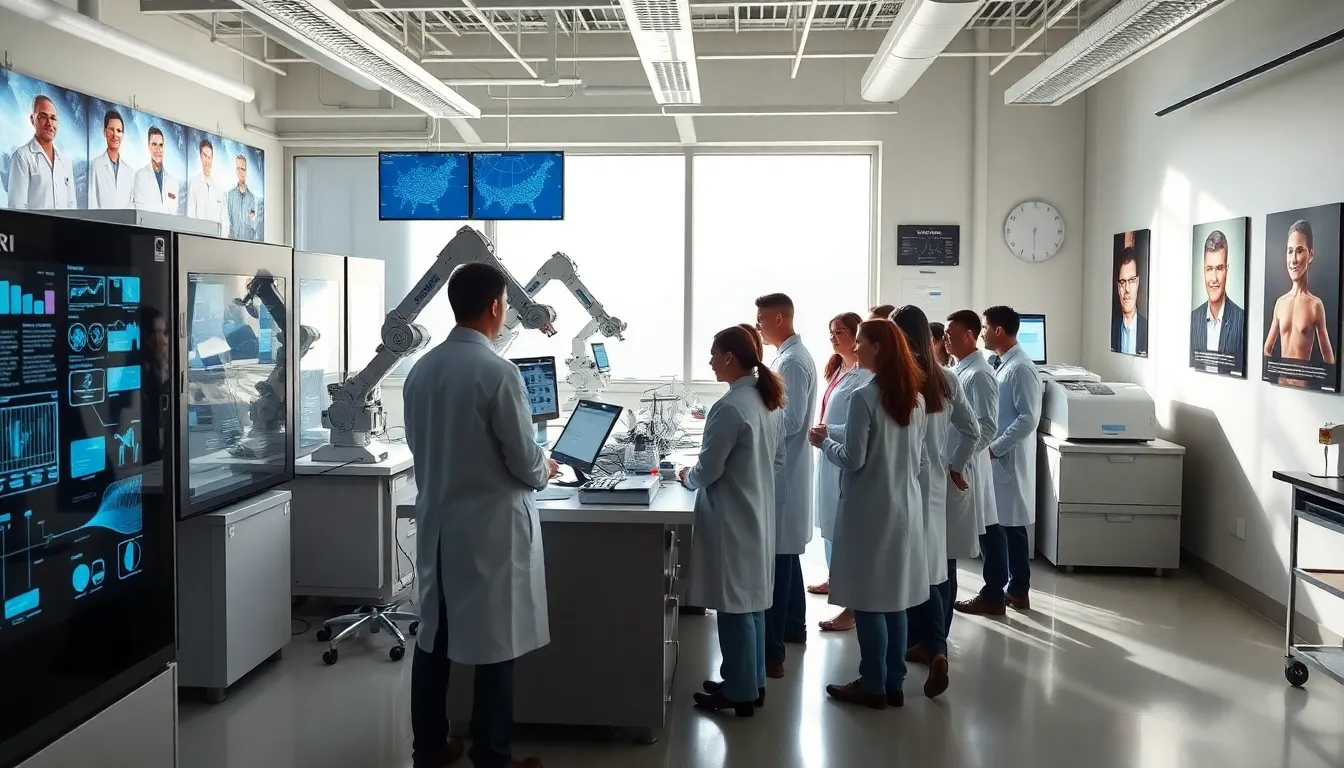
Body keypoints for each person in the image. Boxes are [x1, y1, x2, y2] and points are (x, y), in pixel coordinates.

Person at [403, 261, 556, 768]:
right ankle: (492, 756)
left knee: (434, 639)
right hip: (489, 531)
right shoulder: (498, 372)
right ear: (495, 306)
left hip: (440, 527)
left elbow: (422, 445)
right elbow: (524, 460)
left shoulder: (422, 369)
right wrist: (547, 465)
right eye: (507, 303)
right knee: (497, 644)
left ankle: (429, 747)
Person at [808, 320, 927, 710]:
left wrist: (825, 443)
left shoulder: (864, 396)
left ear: (878, 347)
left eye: (859, 342)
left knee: (870, 601)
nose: (854, 349)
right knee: (894, 599)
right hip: (902, 508)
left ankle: (872, 683)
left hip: (868, 512)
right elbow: (910, 454)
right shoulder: (914, 398)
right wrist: (838, 432)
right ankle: (893, 680)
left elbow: (854, 459)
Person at [683, 325, 785, 716]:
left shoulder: (729, 407)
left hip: (733, 518)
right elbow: (777, 460)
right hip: (755, 511)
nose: (709, 361)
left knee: (735, 608)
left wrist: (685, 477)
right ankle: (750, 681)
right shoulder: (765, 400)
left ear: (729, 357)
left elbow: (708, 471)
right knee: (752, 604)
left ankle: (740, 693)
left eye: (713, 353)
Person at [891, 306, 977, 700]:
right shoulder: (946, 379)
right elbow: (972, 430)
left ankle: (926, 645)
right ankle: (933, 646)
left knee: (913, 567)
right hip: (937, 485)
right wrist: (954, 465)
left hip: (905, 483)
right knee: (936, 567)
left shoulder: (899, 380)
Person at [956, 306, 1042, 616]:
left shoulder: (1021, 368)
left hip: (1005, 458)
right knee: (1004, 528)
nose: (981, 334)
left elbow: (1028, 417)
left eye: (984, 328)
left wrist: (995, 448)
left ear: (999, 331)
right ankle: (1013, 589)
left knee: (1006, 528)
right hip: (997, 458)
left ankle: (1010, 590)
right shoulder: (1001, 364)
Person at [754, 293, 817, 677]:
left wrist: (756, 432)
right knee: (788, 554)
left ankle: (773, 653)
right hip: (788, 471)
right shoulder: (786, 356)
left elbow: (790, 421)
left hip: (785, 472)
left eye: (762, 318)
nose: (758, 324)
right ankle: (794, 628)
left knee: (779, 558)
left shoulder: (792, 362)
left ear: (780, 318)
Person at [808, 313, 870, 637]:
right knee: (830, 522)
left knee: (843, 527)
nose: (833, 337)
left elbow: (858, 424)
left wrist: (828, 433)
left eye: (840, 331)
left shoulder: (863, 376)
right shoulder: (838, 369)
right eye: (830, 331)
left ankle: (851, 606)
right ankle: (836, 580)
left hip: (842, 451)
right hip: (829, 450)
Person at [940, 309, 998, 629]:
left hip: (961, 468)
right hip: (954, 465)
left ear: (969, 335)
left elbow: (986, 427)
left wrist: (960, 462)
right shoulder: (957, 369)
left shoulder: (979, 374)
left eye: (951, 333)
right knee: (946, 551)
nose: (945, 338)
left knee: (950, 552)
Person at [1264, 219, 1334, 387]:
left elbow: (1328, 358)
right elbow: (1267, 348)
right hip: (1280, 389)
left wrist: (1325, 389)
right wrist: (1270, 378)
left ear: (1310, 254)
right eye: (1290, 251)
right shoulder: (1280, 304)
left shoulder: (1315, 305)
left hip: (1304, 392)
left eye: (1299, 251)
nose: (1293, 260)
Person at [6, 95, 76, 210]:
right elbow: (17, 208)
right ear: (32, 120)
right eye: (43, 117)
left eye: (53, 118)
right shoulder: (22, 157)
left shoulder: (66, 162)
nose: (49, 123)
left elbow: (72, 205)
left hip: (64, 228)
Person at [1190, 230, 1246, 370]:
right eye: (1209, 269)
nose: (1214, 278)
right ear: (1203, 270)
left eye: (1219, 268)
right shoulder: (1194, 318)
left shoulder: (1241, 319)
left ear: (1227, 270)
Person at [89, 109, 134, 209]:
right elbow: (92, 203)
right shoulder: (95, 165)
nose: (115, 135)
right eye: (111, 129)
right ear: (105, 132)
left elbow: (131, 207)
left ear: (122, 135)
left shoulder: (130, 172)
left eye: (119, 131)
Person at [132, 127, 180, 214]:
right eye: (154, 144)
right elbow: (140, 211)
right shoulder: (140, 176)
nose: (158, 150)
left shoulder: (173, 181)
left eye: (161, 145)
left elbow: (174, 213)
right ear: (148, 145)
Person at [1110, 246, 1148, 355]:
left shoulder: (1147, 330)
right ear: (1118, 287)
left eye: (1131, 281)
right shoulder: (1111, 330)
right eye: (1122, 282)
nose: (1127, 289)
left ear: (1137, 283)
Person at [187, 138, 227, 230]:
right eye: (205, 156)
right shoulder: (194, 183)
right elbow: (190, 216)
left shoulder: (219, 189)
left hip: (215, 241)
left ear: (212, 158)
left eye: (209, 157)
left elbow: (224, 221)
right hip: (198, 239)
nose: (208, 161)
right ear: (201, 156)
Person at [227, 154, 261, 240]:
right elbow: (229, 223)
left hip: (248, 245)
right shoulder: (230, 195)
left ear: (246, 171)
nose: (240, 172)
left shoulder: (252, 198)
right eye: (238, 169)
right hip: (232, 245)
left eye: (243, 169)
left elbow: (253, 222)